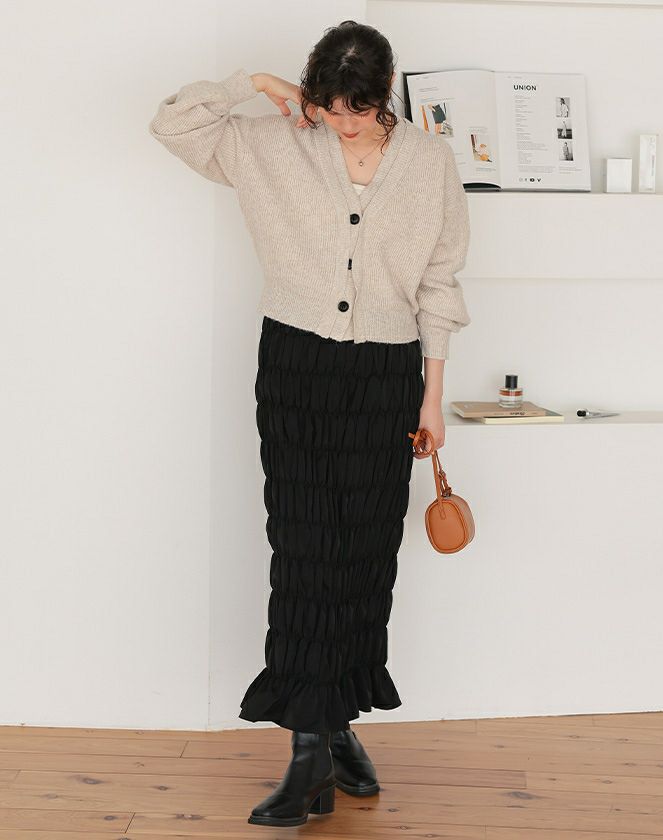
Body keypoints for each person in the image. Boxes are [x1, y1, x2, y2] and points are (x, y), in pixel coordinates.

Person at [149, 19, 471, 829]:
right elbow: (173, 123)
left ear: (385, 94)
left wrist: (432, 395)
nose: (343, 122)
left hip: (387, 375)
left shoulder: (430, 162)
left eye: (358, 108)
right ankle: (308, 754)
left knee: (364, 551)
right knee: (302, 548)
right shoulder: (272, 141)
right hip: (297, 367)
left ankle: (338, 726)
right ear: (314, 93)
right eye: (330, 106)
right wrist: (253, 84)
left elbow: (440, 281)